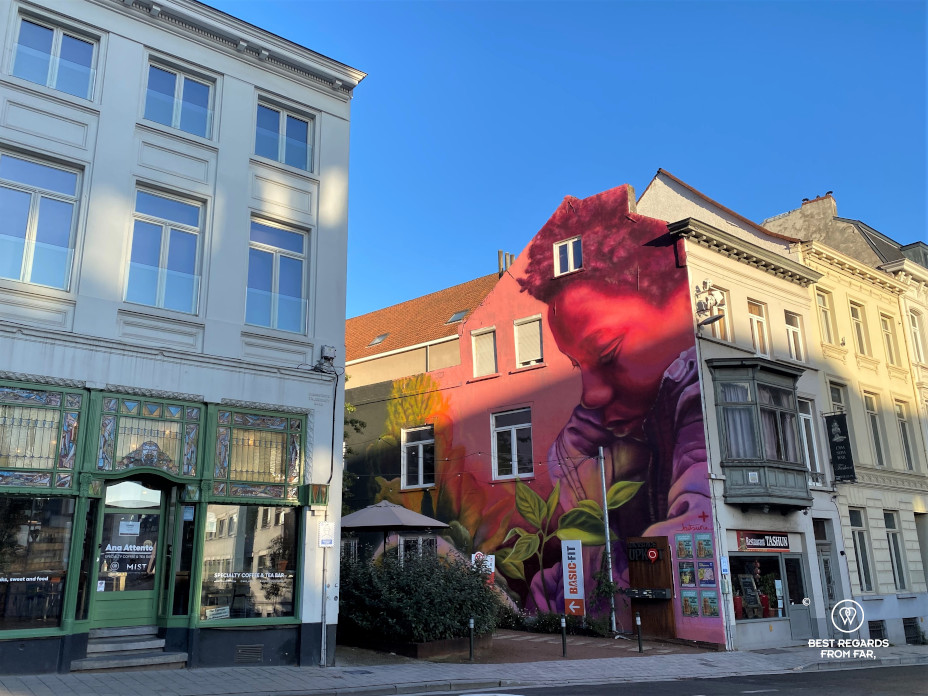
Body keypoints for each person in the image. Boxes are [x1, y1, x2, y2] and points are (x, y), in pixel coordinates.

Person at [516, 185, 712, 612]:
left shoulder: (694, 387)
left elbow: (690, 527)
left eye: (606, 353)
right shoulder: (607, 430)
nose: (591, 393)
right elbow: (566, 588)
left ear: (680, 305)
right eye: (577, 365)